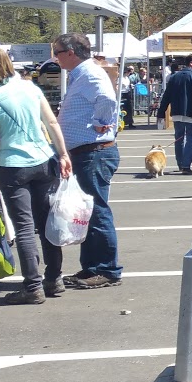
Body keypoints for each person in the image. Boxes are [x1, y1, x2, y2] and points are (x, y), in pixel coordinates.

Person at [0, 48, 74, 303]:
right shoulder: (30, 88)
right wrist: (63, 154)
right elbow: (52, 123)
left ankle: (32, 286)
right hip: (43, 159)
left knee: (24, 228)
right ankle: (54, 278)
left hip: (12, 167)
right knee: (47, 224)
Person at [50, 33, 123, 291]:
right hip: (86, 151)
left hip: (94, 151)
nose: (54, 57)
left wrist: (102, 122)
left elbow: (107, 99)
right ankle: (92, 267)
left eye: (57, 52)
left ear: (71, 52)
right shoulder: (81, 74)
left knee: (97, 210)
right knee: (88, 211)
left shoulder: (90, 74)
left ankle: (107, 269)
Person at [157, 54, 192, 175]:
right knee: (190, 140)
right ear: (191, 63)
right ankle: (186, 165)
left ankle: (180, 164)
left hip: (177, 112)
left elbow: (166, 96)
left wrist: (161, 112)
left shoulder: (174, 77)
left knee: (179, 139)